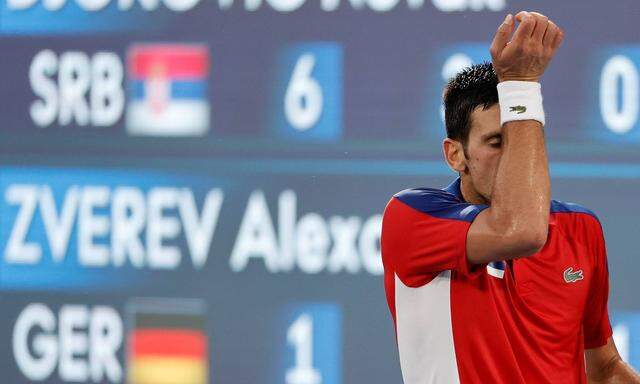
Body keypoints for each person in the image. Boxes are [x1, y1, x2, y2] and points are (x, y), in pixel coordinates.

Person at [381, 11, 640, 384]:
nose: (514, 155)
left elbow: (604, 369)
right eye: (496, 141)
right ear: (455, 155)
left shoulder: (581, 228)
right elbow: (519, 231)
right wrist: (520, 87)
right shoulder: (413, 217)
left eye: (523, 137)